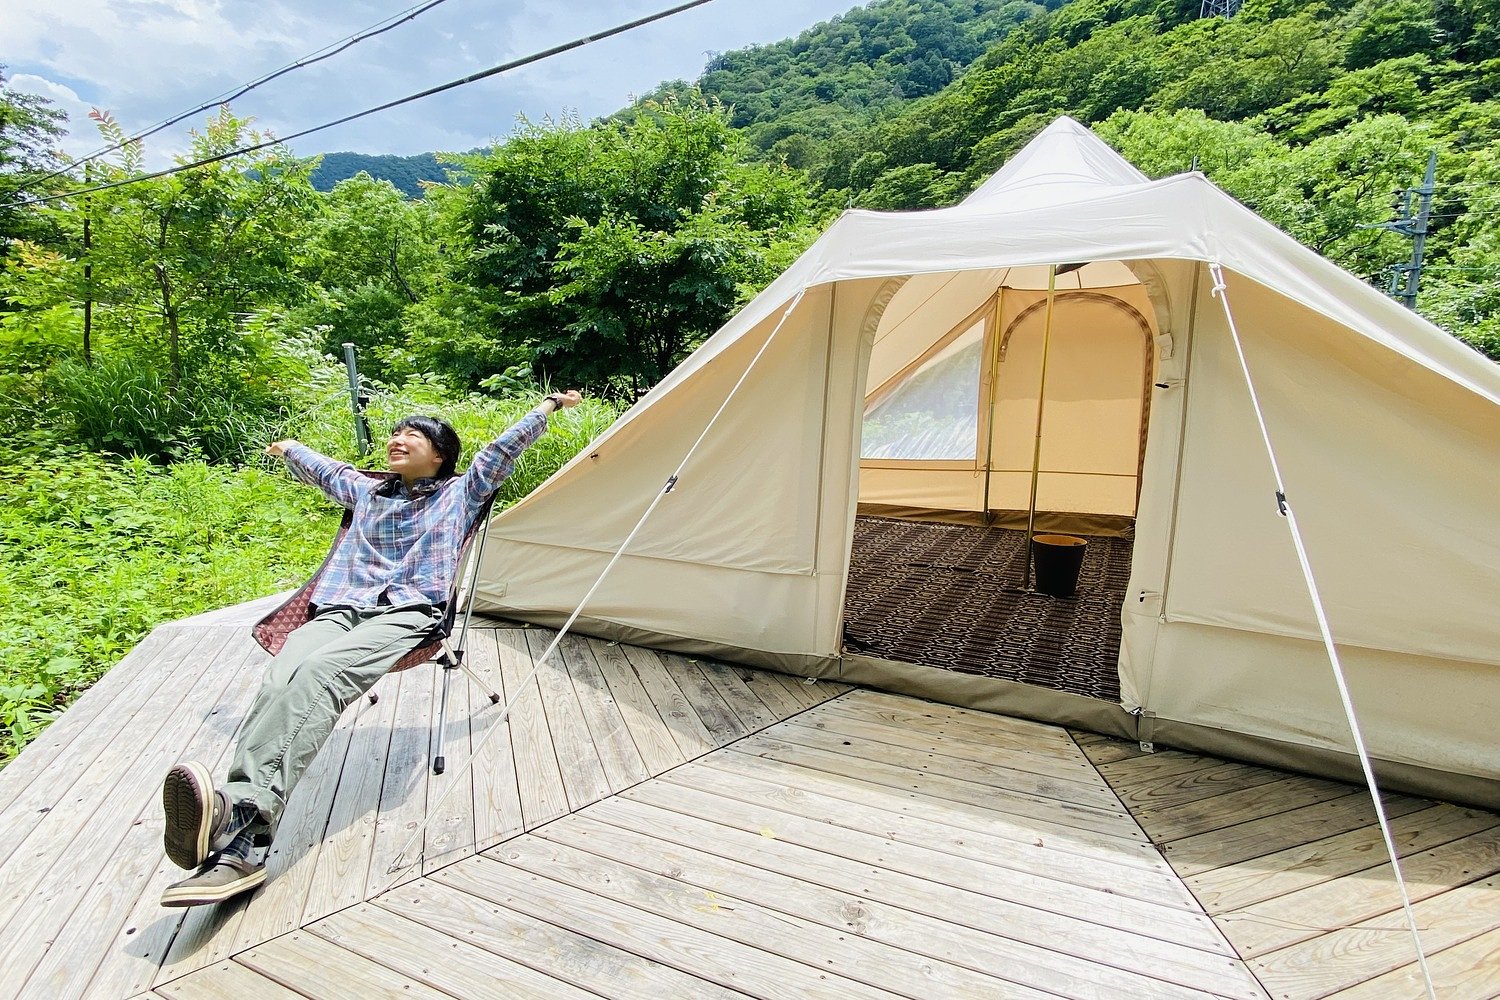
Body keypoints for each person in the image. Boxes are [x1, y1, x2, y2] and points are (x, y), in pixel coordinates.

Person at [158, 389, 582, 907]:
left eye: (413, 435)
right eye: (396, 433)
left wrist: (549, 406)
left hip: (408, 613)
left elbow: (501, 450)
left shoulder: (462, 492)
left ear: (440, 454)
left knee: (320, 674)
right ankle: (237, 834)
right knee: (281, 678)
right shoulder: (367, 493)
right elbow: (325, 470)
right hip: (340, 610)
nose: (397, 439)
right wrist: (290, 447)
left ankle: (242, 824)